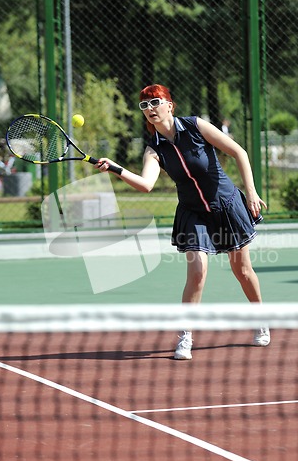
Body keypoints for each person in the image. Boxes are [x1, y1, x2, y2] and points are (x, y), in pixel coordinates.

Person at [95, 84, 270, 359]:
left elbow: (240, 153)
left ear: (169, 105)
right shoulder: (154, 149)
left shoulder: (196, 126)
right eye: (144, 106)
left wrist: (251, 192)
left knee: (242, 271)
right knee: (197, 272)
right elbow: (145, 184)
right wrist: (115, 168)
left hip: (226, 205)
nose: (150, 109)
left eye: (155, 102)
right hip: (193, 212)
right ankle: (185, 337)